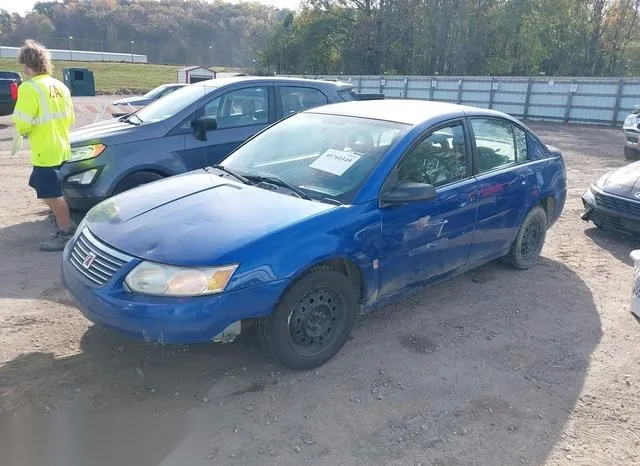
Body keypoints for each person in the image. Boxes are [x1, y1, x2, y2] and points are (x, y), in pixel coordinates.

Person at [12, 40, 76, 251]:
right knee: (41, 186)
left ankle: (66, 232)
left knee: (50, 194)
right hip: (60, 146)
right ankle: (63, 221)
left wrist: (23, 131)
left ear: (28, 65)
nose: (23, 68)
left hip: (44, 151)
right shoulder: (60, 86)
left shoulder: (29, 88)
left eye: (23, 64)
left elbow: (22, 122)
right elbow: (70, 119)